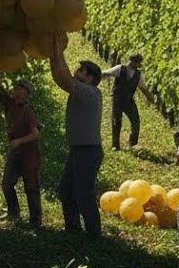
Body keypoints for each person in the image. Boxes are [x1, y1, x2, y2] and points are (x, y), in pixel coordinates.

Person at [49, 29, 103, 239]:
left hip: (88, 152)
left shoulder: (90, 93)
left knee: (83, 194)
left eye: (81, 70)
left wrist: (58, 50)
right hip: (79, 150)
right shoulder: (81, 90)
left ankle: (94, 236)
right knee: (66, 191)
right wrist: (53, 53)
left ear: (90, 78)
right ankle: (73, 230)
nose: (76, 71)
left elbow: (63, 77)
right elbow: (59, 78)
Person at [0, 75, 41, 227]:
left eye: (20, 91)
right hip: (16, 153)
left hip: (29, 154)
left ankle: (35, 220)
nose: (16, 92)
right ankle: (14, 212)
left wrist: (19, 141)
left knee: (31, 187)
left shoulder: (28, 111)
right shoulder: (10, 104)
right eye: (16, 89)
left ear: (25, 94)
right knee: (7, 184)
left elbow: (35, 134)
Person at [101, 53, 155, 150]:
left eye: (138, 62)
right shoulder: (120, 68)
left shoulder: (138, 75)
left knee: (135, 120)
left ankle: (133, 143)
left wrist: (150, 98)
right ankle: (115, 145)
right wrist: (96, 78)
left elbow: (143, 88)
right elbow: (106, 73)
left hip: (128, 100)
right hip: (117, 99)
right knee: (116, 121)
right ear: (131, 61)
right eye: (136, 62)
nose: (137, 64)